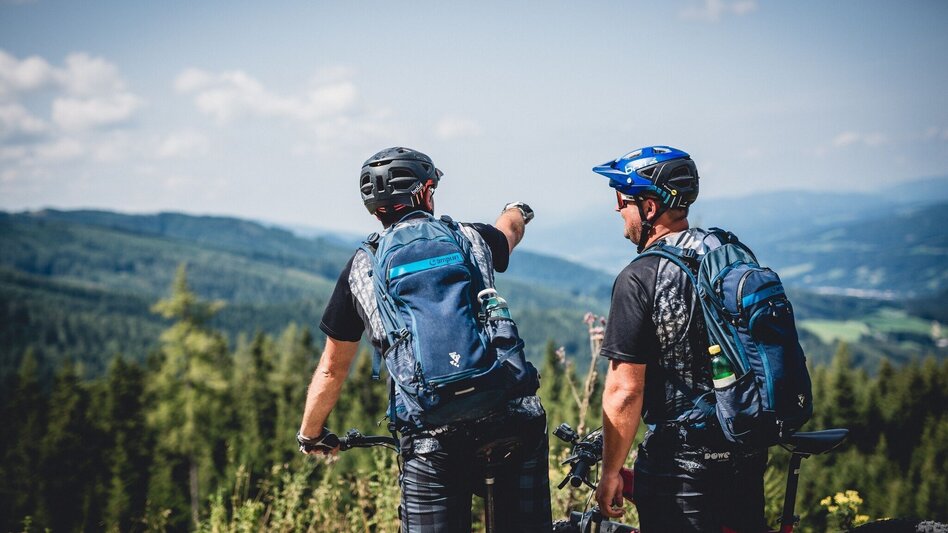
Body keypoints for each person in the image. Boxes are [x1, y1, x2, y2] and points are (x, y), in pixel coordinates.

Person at [297, 147, 552, 532]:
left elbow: (332, 369)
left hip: (430, 434)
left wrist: (311, 434)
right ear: (425, 192)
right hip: (512, 416)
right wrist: (518, 210)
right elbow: (509, 230)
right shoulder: (471, 237)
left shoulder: (362, 267)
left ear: (374, 209)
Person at [591, 146, 768, 532]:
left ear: (649, 207)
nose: (617, 209)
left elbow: (625, 390)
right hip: (745, 450)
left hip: (681, 468)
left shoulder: (640, 277)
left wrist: (611, 472)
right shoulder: (727, 253)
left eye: (622, 200)